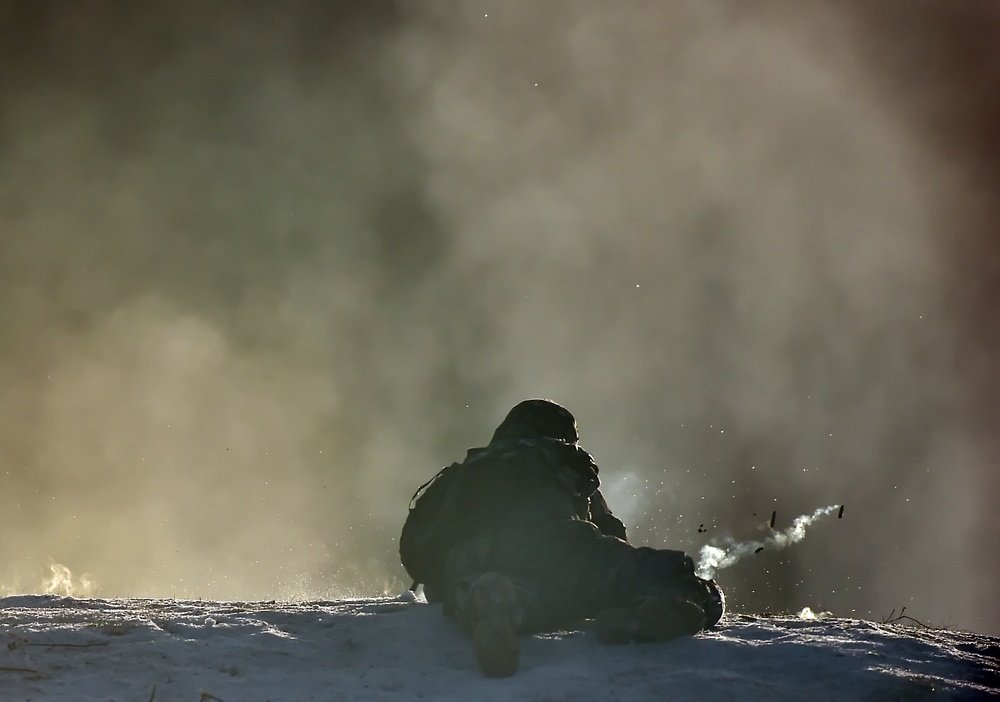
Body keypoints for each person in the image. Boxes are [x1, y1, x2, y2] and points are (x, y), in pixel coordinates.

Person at [399, 399, 724, 677]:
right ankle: (643, 613)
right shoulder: (556, 456)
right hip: (562, 549)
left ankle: (499, 601)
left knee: (530, 598)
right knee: (673, 573)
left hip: (482, 560)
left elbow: (427, 552)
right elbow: (613, 537)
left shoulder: (473, 468)